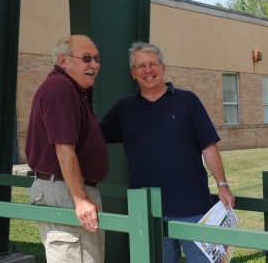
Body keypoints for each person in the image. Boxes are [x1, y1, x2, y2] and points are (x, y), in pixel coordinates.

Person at [100, 42, 235, 263]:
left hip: (193, 206)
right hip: (148, 211)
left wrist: (222, 184)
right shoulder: (124, 109)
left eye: (152, 64)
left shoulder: (188, 101)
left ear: (163, 68)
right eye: (141, 66)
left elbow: (208, 145)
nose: (147, 70)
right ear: (133, 73)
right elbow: (95, 137)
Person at [26, 35, 108, 263]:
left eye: (97, 58)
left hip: (71, 189)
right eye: (86, 58)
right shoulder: (61, 90)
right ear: (63, 61)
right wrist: (81, 200)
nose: (94, 64)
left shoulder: (73, 90)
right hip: (66, 192)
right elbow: (64, 150)